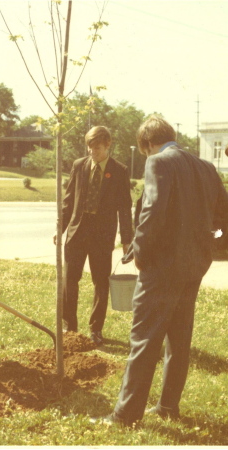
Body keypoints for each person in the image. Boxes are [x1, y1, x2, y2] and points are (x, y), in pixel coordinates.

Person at [93, 115, 228, 426]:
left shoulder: (158, 162)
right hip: (194, 267)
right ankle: (168, 406)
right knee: (179, 340)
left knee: (143, 339)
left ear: (147, 144)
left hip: (163, 268)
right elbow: (224, 215)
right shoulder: (206, 167)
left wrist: (140, 251)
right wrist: (212, 246)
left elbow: (152, 210)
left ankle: (125, 415)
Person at [54, 126, 133, 345]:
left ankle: (95, 329)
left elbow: (125, 207)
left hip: (102, 235)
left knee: (101, 282)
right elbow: (68, 200)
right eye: (89, 147)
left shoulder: (119, 170)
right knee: (70, 280)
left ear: (108, 144)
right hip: (76, 233)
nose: (92, 152)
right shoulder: (79, 166)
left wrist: (127, 239)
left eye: (96, 148)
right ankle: (70, 328)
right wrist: (59, 228)